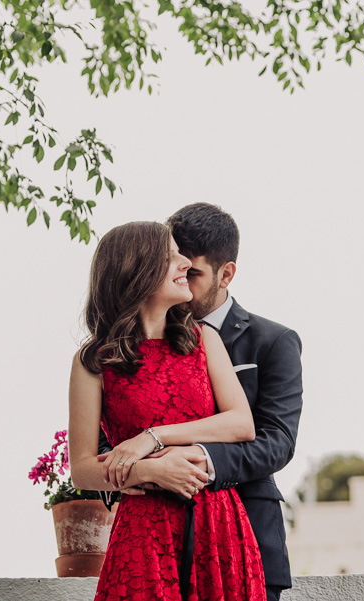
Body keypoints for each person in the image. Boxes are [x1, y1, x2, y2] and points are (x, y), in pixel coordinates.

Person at [69, 221, 267, 601]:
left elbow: (242, 424)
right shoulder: (93, 361)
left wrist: (152, 438)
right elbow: (82, 468)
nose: (184, 262)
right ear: (136, 270)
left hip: (217, 524)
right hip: (142, 534)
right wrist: (149, 470)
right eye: (170, 256)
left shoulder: (204, 339)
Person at [135, 203, 303, 601]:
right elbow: (113, 442)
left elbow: (277, 441)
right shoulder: (135, 347)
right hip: (156, 546)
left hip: (251, 535)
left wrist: (198, 461)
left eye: (193, 272)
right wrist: (148, 469)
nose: (181, 279)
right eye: (174, 267)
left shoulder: (273, 341)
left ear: (226, 273)